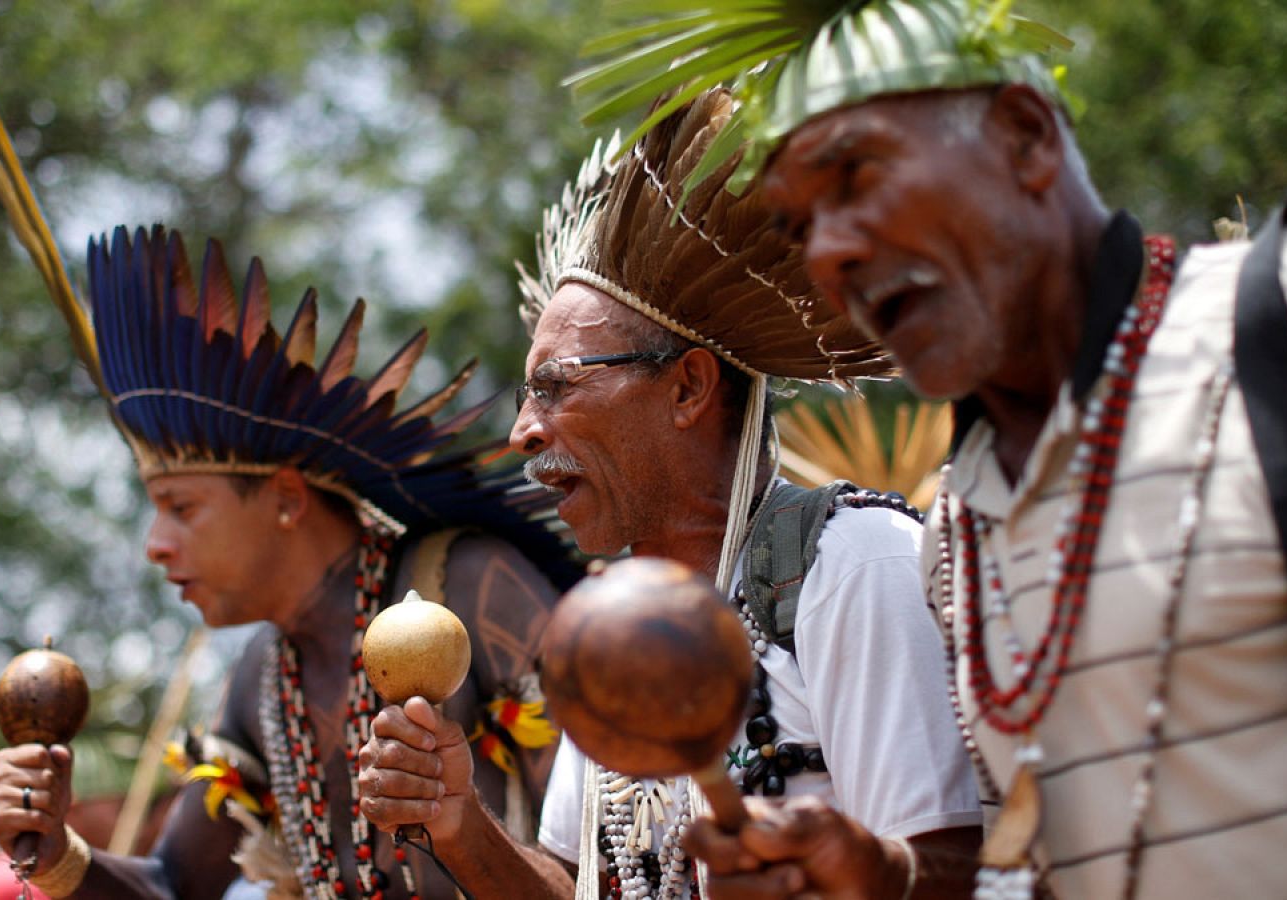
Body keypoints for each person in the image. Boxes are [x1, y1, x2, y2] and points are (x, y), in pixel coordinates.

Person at [576, 1, 1287, 897]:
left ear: (1025, 137)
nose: (833, 253)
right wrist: (879, 874)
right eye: (802, 228)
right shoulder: (959, 533)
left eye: (858, 179)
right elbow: (1037, 868)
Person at [357, 89, 982, 899]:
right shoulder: (614, 622)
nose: (523, 432)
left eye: (556, 387)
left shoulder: (853, 566)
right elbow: (583, 886)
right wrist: (458, 821)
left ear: (688, 387)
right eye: (525, 397)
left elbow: (955, 871)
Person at [0, 106, 576, 900]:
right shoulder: (265, 674)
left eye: (183, 509)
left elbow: (602, 867)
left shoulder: (470, 584)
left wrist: (459, 822)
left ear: (288, 497)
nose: (154, 545)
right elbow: (172, 888)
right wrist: (51, 848)